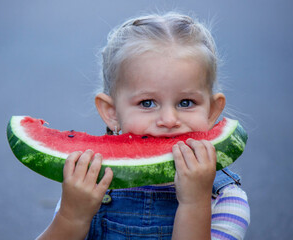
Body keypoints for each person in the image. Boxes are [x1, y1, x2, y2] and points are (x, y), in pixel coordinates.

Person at [37, 12, 250, 240]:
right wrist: (72, 217)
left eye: (186, 102)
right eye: (147, 103)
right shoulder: (88, 186)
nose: (169, 120)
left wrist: (195, 204)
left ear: (211, 111)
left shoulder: (226, 199)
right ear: (112, 113)